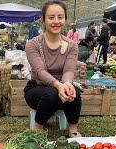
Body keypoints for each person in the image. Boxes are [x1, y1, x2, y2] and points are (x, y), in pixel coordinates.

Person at [24, 1, 82, 137]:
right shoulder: (33, 44)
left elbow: (69, 70)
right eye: (51, 17)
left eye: (60, 17)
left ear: (65, 19)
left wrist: (67, 84)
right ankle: (38, 128)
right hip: (37, 88)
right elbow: (40, 71)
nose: (56, 21)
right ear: (43, 20)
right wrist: (58, 85)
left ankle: (73, 130)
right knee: (53, 93)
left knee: (74, 92)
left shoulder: (71, 45)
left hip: (60, 84)